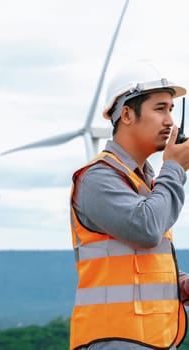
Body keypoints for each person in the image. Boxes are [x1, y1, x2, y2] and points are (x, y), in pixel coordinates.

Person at [69, 60, 189, 350]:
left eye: (171, 110)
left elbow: (137, 264)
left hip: (151, 339)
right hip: (115, 340)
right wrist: (174, 170)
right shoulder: (98, 178)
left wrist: (181, 283)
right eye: (160, 109)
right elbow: (145, 231)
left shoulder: (144, 182)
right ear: (126, 114)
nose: (170, 122)